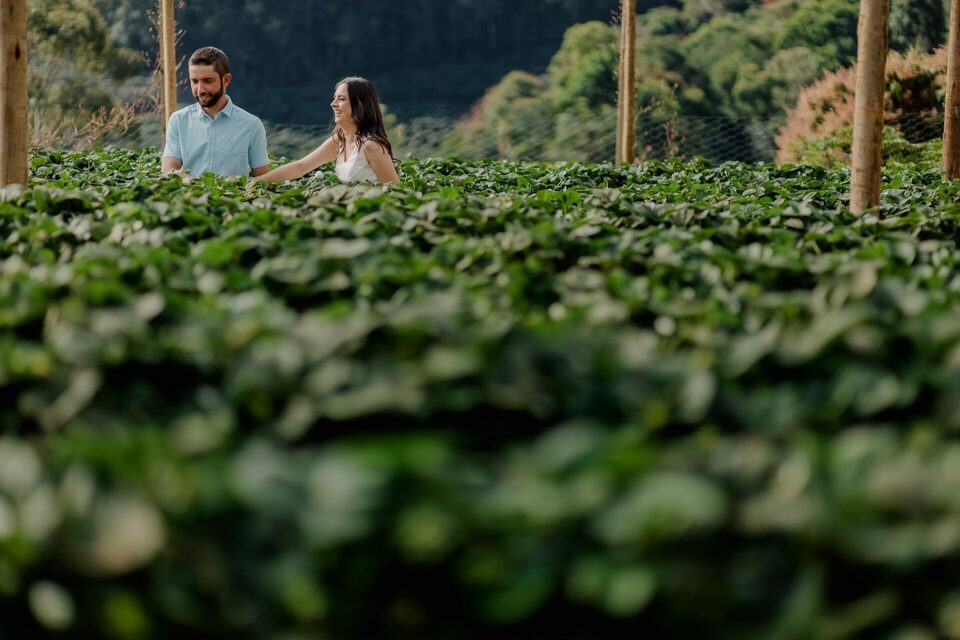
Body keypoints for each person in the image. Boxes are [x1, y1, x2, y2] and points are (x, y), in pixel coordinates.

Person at [251, 77, 399, 186]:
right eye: (334, 98)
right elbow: (300, 167)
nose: (333, 104)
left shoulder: (371, 146)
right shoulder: (339, 140)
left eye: (341, 99)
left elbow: (396, 190)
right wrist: (254, 182)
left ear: (360, 105)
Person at [162, 46, 270, 180]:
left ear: (226, 80)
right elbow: (168, 172)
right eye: (194, 81)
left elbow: (264, 181)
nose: (200, 89)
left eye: (208, 81)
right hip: (188, 200)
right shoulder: (178, 120)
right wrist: (195, 184)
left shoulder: (252, 125)